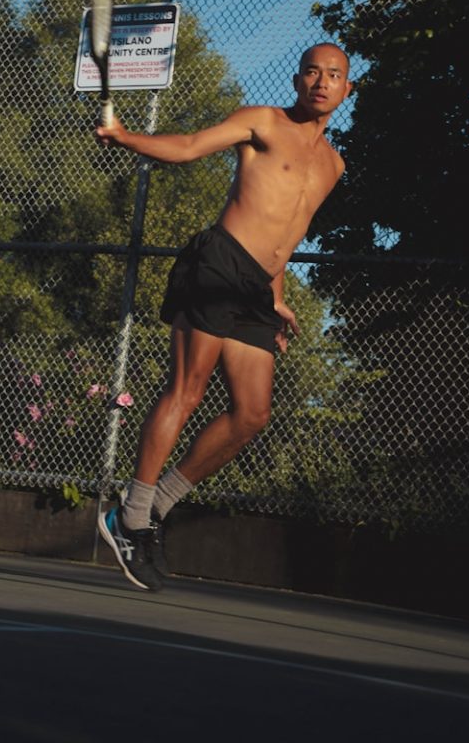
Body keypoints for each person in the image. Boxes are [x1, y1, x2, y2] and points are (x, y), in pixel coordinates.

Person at [95, 43, 353, 590]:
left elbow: (288, 229)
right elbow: (189, 147)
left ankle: (158, 505)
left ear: (347, 89)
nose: (322, 82)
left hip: (258, 289)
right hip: (218, 263)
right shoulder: (261, 122)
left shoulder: (333, 165)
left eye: (334, 75)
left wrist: (277, 296)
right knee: (186, 392)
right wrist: (127, 138)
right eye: (313, 72)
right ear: (296, 79)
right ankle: (130, 514)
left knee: (252, 414)